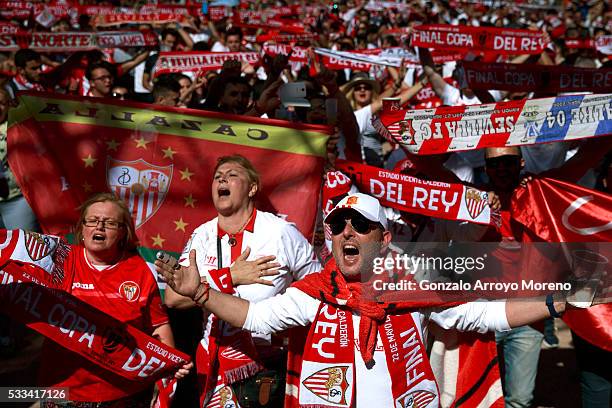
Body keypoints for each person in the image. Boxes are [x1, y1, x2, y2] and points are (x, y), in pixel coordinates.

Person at [156, 192, 569, 407]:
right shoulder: (313, 293)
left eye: (360, 225)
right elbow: (256, 318)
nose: (346, 232)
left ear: (385, 239)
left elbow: (480, 315)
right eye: (337, 225)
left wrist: (554, 303)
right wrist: (202, 293)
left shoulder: (415, 286)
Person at [163, 155, 320, 407]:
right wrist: (229, 277)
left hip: (265, 364)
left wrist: (288, 314)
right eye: (217, 176)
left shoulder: (281, 232)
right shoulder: (201, 235)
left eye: (232, 174)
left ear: (253, 188)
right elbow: (173, 297)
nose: (222, 178)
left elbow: (317, 287)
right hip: (214, 363)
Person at [38, 193, 191, 407]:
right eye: (92, 220)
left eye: (110, 223)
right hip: (64, 391)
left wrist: (168, 364)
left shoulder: (140, 270)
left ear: (122, 233)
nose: (99, 227)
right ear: (82, 228)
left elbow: (159, 325)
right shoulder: (58, 261)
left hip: (123, 393)